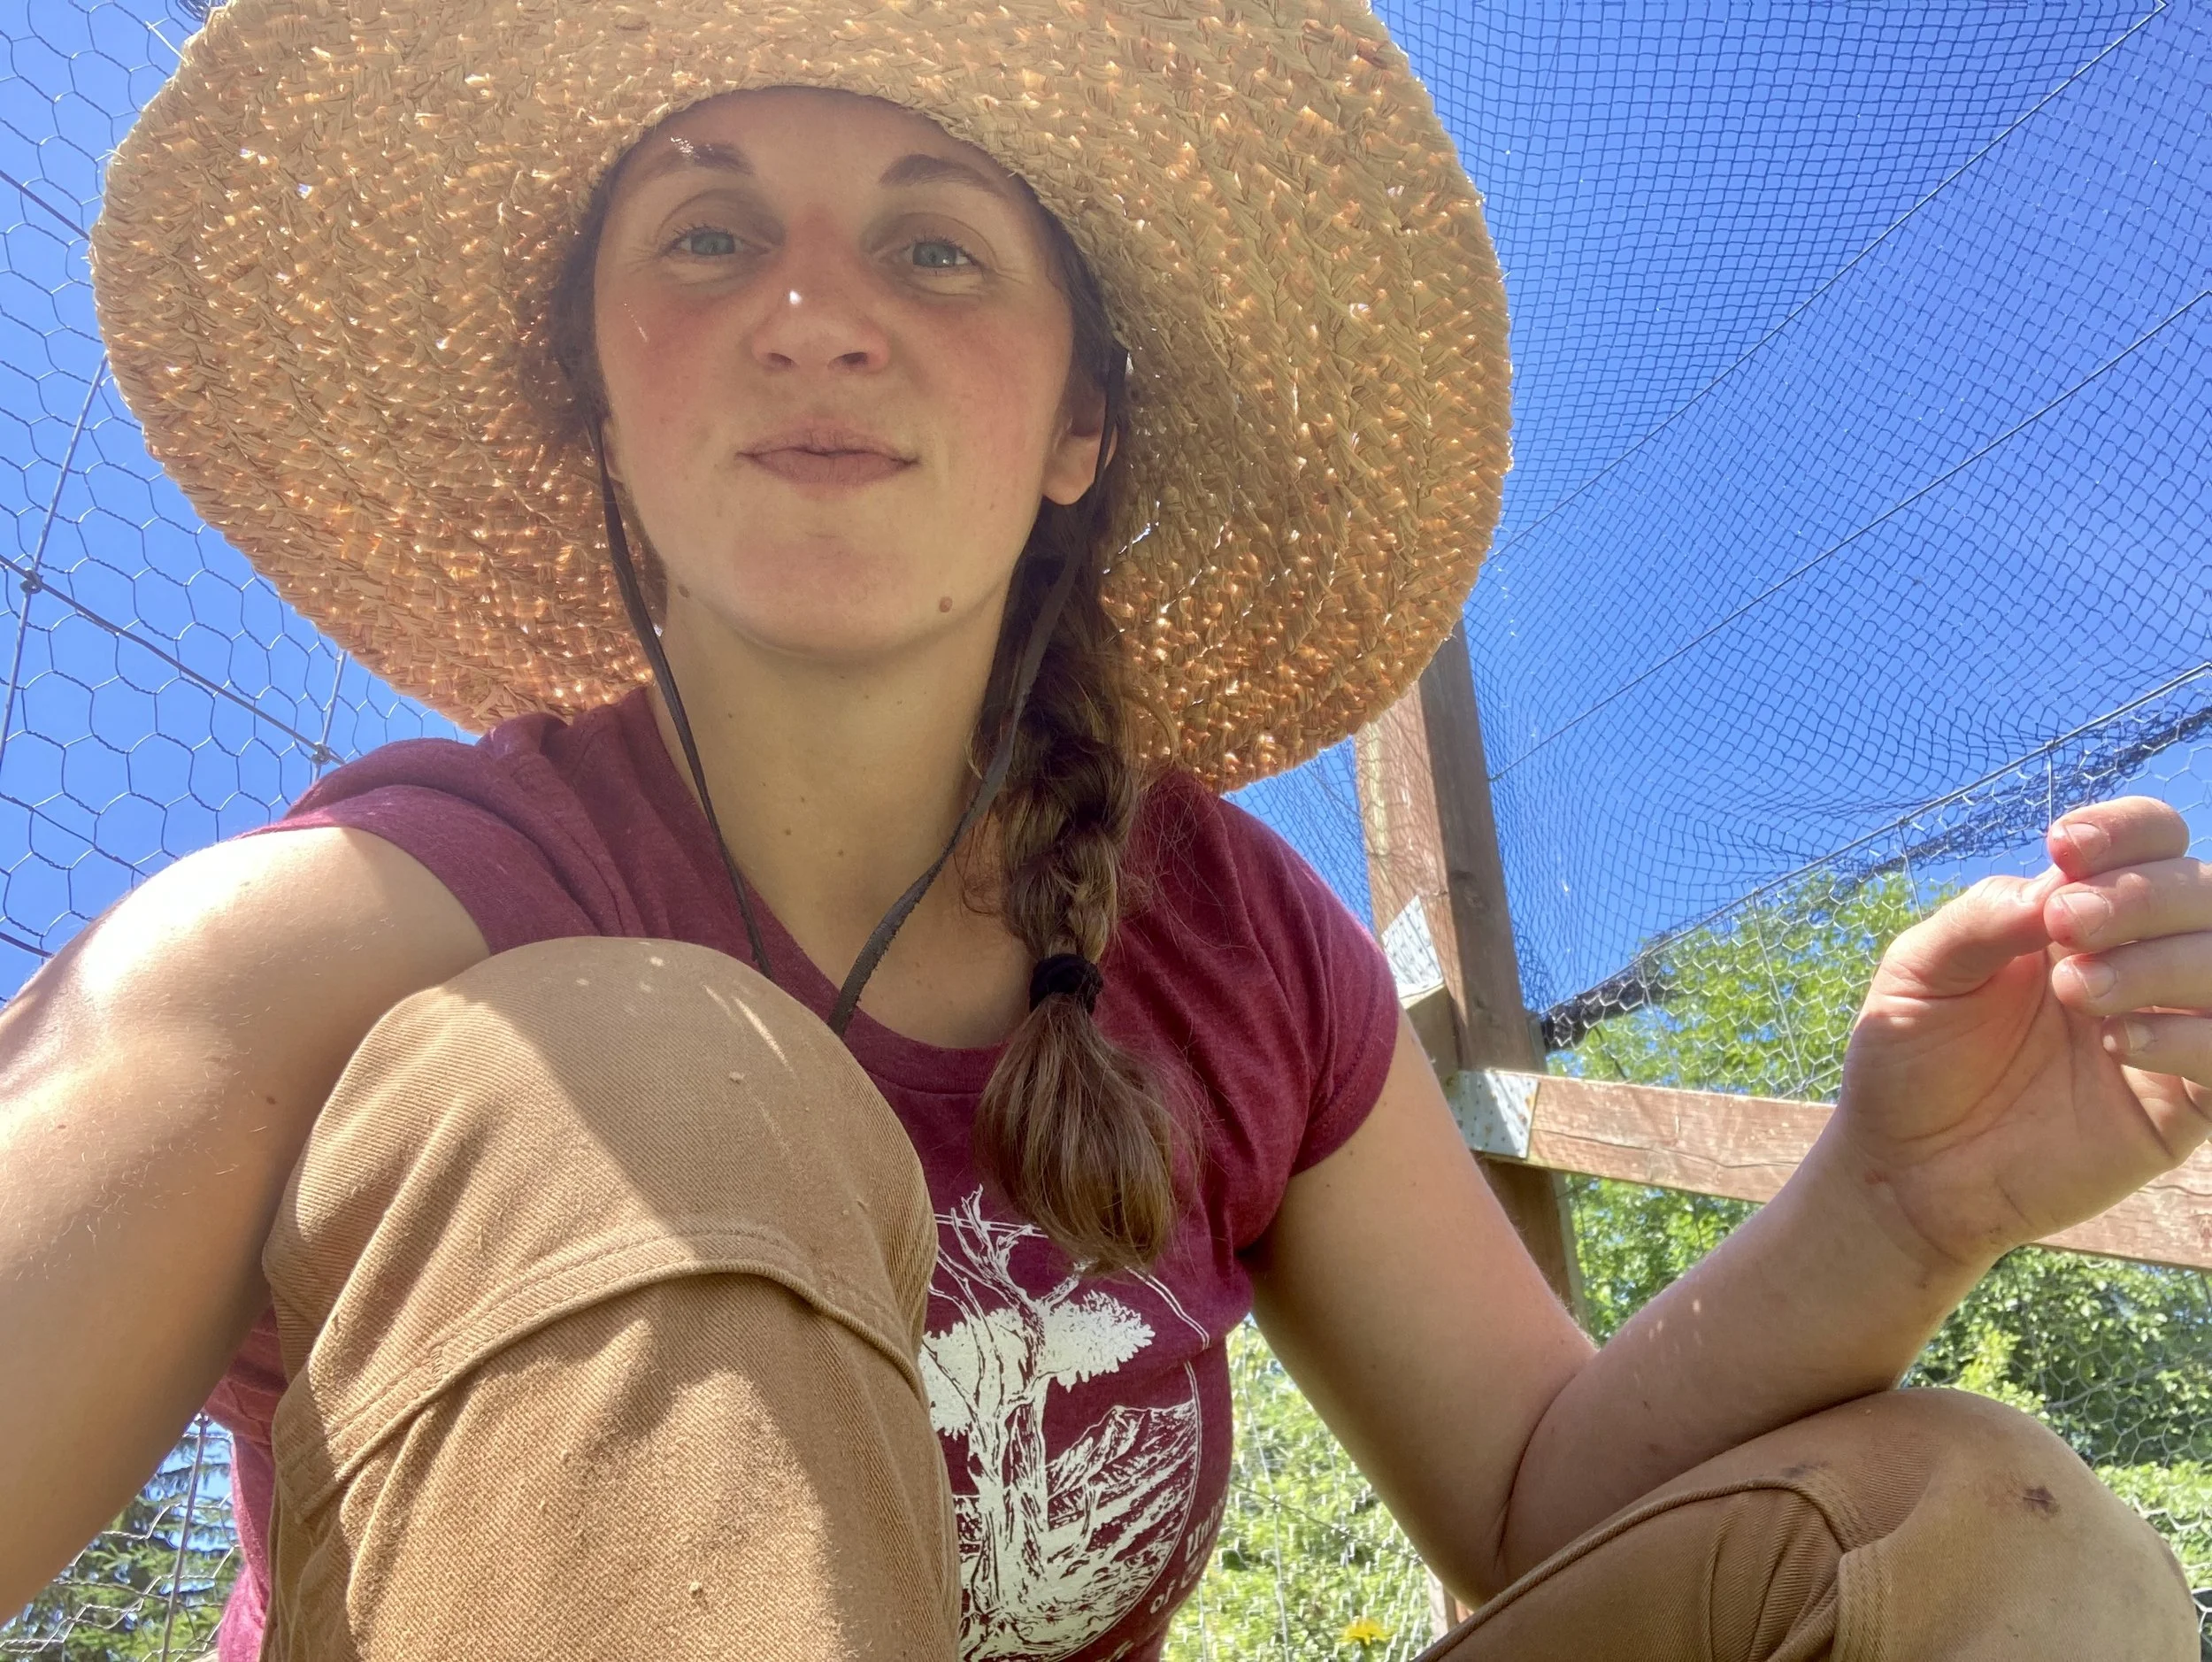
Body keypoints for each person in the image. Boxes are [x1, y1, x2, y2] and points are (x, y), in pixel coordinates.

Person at [2, 0, 2203, 1656]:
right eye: (708, 234)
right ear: (599, 395)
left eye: (933, 249)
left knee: (1943, 1528)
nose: (812, 317)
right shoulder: (358, 929)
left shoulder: (1230, 946)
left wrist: (1897, 1204)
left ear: (1075, 428)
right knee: (632, 1059)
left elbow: (1535, 1503)